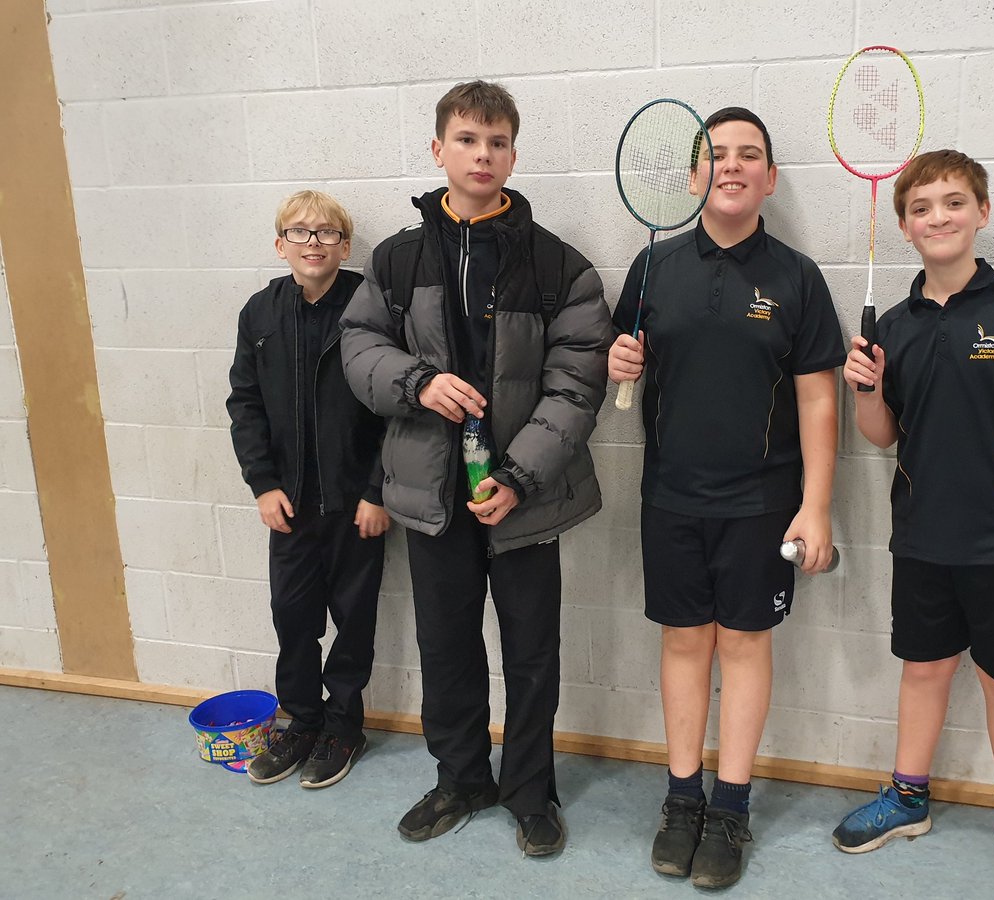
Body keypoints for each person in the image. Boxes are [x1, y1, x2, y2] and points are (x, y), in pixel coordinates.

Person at [339, 80, 611, 857]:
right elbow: (360, 352)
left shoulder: (560, 266)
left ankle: (531, 791)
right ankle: (460, 778)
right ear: (438, 150)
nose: (481, 154)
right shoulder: (393, 261)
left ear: (513, 155)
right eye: (466, 140)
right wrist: (418, 383)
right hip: (431, 496)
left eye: (496, 143)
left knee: (531, 652)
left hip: (522, 500)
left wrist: (519, 477)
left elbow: (576, 381)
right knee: (445, 646)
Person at [833, 149, 994, 900]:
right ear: (904, 227)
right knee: (924, 670)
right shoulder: (897, 327)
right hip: (920, 536)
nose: (937, 217)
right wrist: (865, 392)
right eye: (921, 208)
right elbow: (883, 435)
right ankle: (909, 798)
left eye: (952, 202)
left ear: (982, 211)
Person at [608, 107, 844, 889]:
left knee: (744, 646)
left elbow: (818, 401)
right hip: (670, 497)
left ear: (770, 178)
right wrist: (618, 361)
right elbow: (623, 367)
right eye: (717, 154)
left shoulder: (797, 278)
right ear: (691, 176)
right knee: (683, 643)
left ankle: (732, 806)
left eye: (750, 155)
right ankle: (683, 800)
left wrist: (816, 505)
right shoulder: (652, 268)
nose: (732, 165)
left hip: (761, 505)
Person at [227, 190, 389, 789]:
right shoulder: (260, 314)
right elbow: (244, 403)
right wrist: (263, 485)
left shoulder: (370, 310)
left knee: (354, 619)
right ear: (280, 245)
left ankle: (344, 725)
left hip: (354, 507)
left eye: (326, 232)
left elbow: (393, 409)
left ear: (345, 246)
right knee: (293, 617)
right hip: (289, 506)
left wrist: (378, 491)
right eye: (299, 232)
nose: (313, 241)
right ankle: (299, 719)